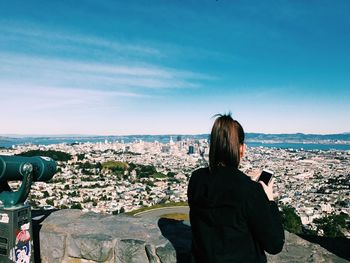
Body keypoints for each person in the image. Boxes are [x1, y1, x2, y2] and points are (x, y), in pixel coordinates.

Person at [187, 114, 285, 262]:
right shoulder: (249, 190)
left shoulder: (196, 178)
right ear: (241, 148)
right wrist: (269, 199)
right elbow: (275, 245)